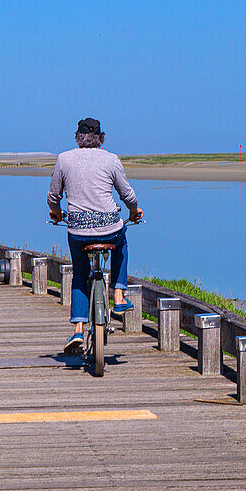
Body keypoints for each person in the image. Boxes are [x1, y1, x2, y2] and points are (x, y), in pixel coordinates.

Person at [47, 118, 142, 354]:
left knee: (80, 275)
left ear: (77, 137)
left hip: (78, 231)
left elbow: (53, 196)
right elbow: (127, 194)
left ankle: (79, 330)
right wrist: (134, 211)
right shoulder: (111, 159)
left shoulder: (64, 159)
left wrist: (57, 213)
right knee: (122, 241)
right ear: (101, 138)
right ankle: (119, 296)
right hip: (110, 227)